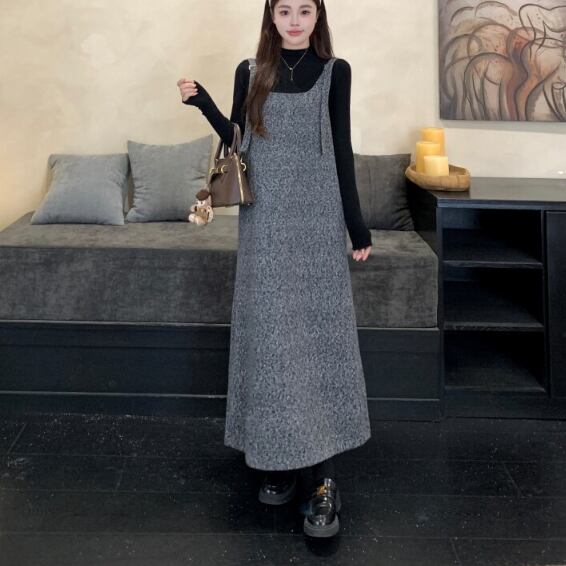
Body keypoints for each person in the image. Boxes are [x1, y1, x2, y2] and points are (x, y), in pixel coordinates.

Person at [177, 0, 372, 539]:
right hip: (264, 222)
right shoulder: (250, 71)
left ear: (318, 16)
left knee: (318, 340)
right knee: (271, 342)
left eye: (304, 10)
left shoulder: (335, 72)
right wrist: (204, 104)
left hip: (318, 222)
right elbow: (236, 141)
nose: (294, 21)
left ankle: (324, 479)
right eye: (284, 11)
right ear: (271, 17)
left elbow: (341, 148)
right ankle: (278, 460)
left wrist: (356, 225)